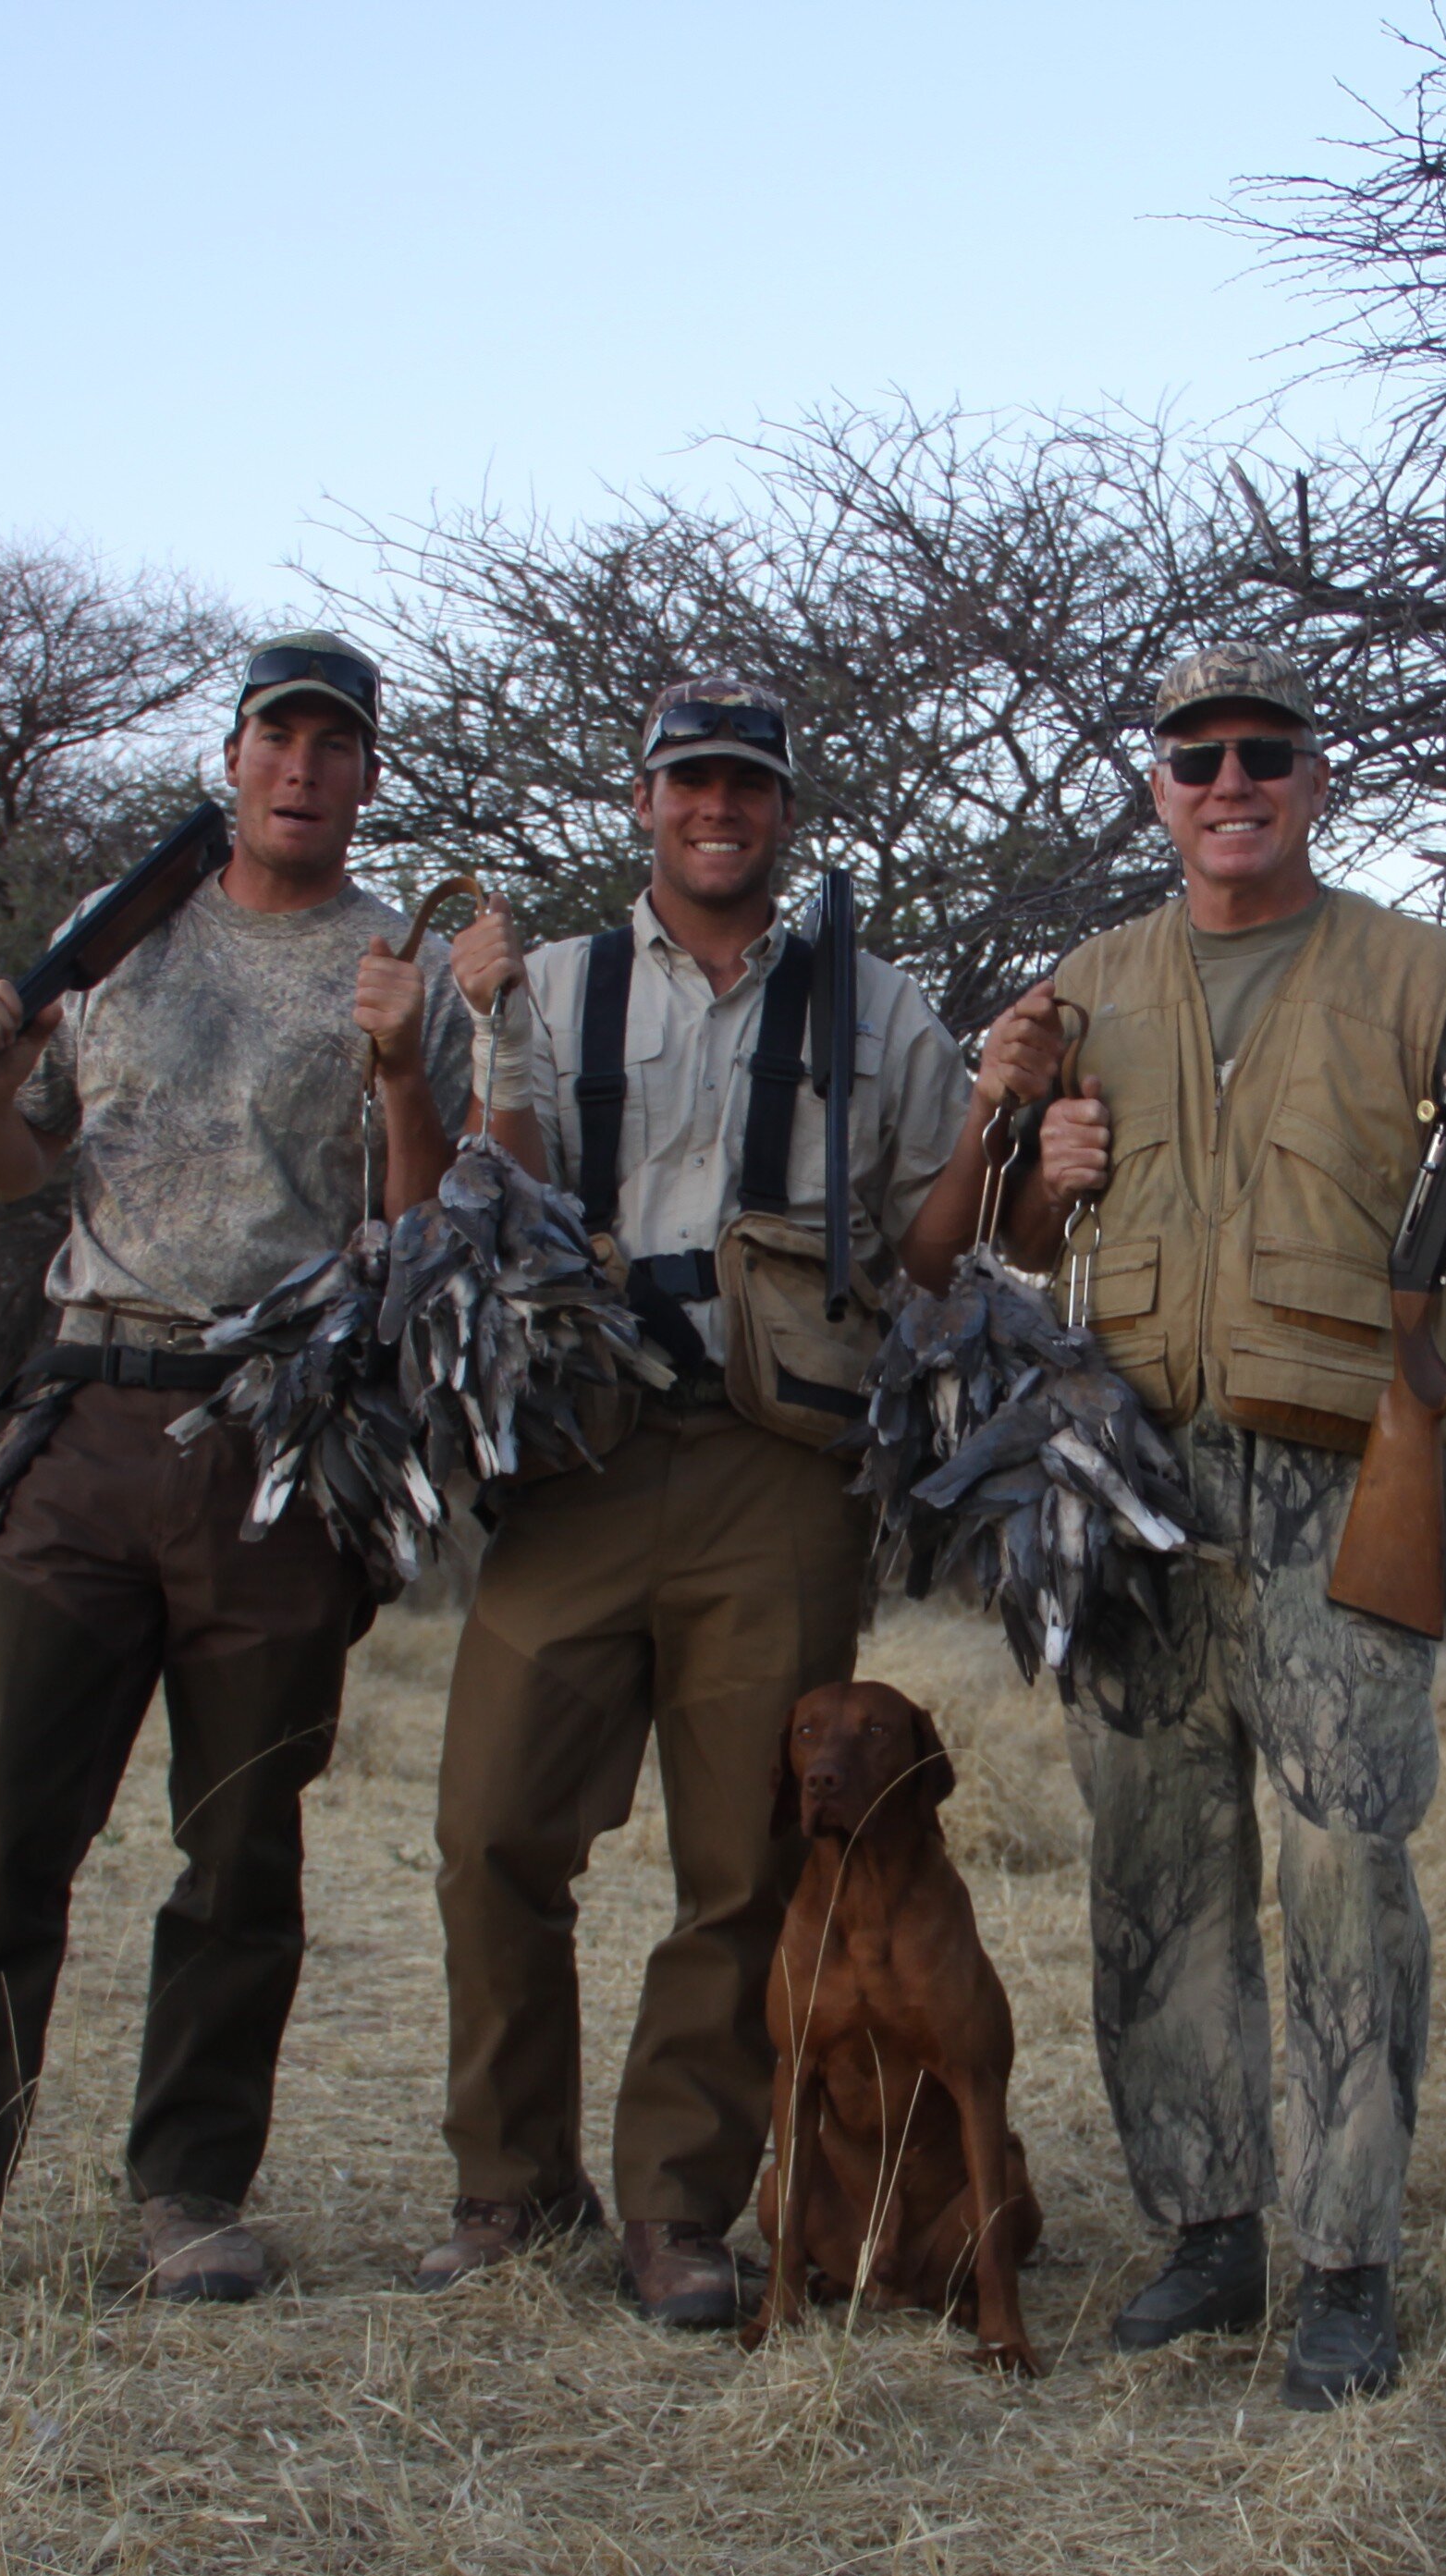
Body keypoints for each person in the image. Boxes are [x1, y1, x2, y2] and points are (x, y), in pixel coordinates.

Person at [0, 629, 469, 2309]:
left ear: (369, 773)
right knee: (0, 1835)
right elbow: (24, 1171)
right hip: (86, 1413)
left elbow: (425, 1211)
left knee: (240, 1850)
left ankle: (192, 2199)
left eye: (334, 744)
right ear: (233, 758)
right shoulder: (118, 935)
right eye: (274, 737)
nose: (301, 767)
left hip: (278, 1434)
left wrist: (392, 1063)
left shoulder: (405, 966)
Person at [406, 675, 1067, 2325]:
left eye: (749, 786)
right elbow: (486, 1201)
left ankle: (685, 2211)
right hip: (581, 1469)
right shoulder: (543, 987)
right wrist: (472, 1029)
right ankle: (510, 2189)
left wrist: (994, 1107)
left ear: (784, 811)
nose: (720, 809)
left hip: (780, 1474)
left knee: (751, 1870)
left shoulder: (880, 1008)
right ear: (644, 802)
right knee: (491, 1831)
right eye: (690, 781)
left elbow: (933, 1251)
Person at [1000, 644, 1446, 2408]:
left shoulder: (1420, 973)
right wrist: (1037, 1163)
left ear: (1318, 781)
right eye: (1194, 758)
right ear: (1155, 789)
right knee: (1155, 1865)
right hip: (1139, 1488)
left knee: (1343, 1860)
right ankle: (1204, 2228)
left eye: (1263, 754)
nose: (1228, 782)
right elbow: (1021, 1241)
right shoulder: (1090, 982)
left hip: (1339, 1483)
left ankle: (1345, 2259)